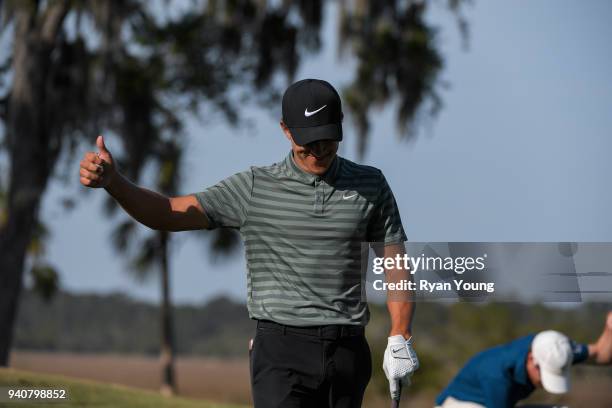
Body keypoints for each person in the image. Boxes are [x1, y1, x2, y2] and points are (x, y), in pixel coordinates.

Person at [79, 78, 418, 407]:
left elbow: (395, 266)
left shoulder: (370, 185)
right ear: (285, 130)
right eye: (308, 142)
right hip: (281, 351)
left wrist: (399, 335)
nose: (318, 150)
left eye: (327, 139)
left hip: (347, 350)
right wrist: (115, 183)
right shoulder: (254, 188)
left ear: (341, 124)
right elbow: (169, 212)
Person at [435, 311, 612, 408]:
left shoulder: (558, 351)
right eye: (545, 375)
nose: (545, 383)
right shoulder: (497, 374)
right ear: (531, 360)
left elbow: (600, 354)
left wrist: (610, 329)